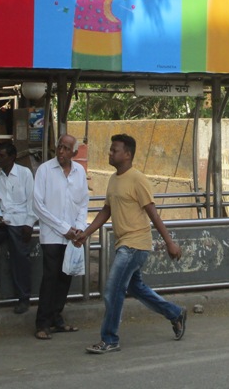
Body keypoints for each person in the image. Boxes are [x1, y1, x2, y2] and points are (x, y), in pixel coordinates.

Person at [76, 133, 186, 354]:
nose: (110, 153)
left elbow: (152, 212)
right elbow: (106, 211)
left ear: (127, 154)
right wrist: (86, 233)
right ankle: (175, 313)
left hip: (135, 244)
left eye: (114, 150)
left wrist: (169, 243)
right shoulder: (113, 179)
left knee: (113, 289)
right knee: (136, 288)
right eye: (110, 149)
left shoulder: (138, 179)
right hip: (123, 243)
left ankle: (110, 338)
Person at [32, 134, 89, 340]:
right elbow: (39, 206)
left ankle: (56, 318)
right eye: (59, 147)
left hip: (72, 236)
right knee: (50, 278)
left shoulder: (79, 172)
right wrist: (64, 228)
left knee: (65, 278)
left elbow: (83, 203)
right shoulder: (45, 170)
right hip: (52, 236)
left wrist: (80, 228)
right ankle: (42, 322)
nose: (61, 152)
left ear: (74, 152)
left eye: (66, 149)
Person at [0, 142, 36, 314]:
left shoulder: (24, 174)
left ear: (12, 157)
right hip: (4, 221)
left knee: (20, 257)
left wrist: (29, 223)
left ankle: (23, 298)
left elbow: (33, 200)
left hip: (20, 222)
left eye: (2, 156)